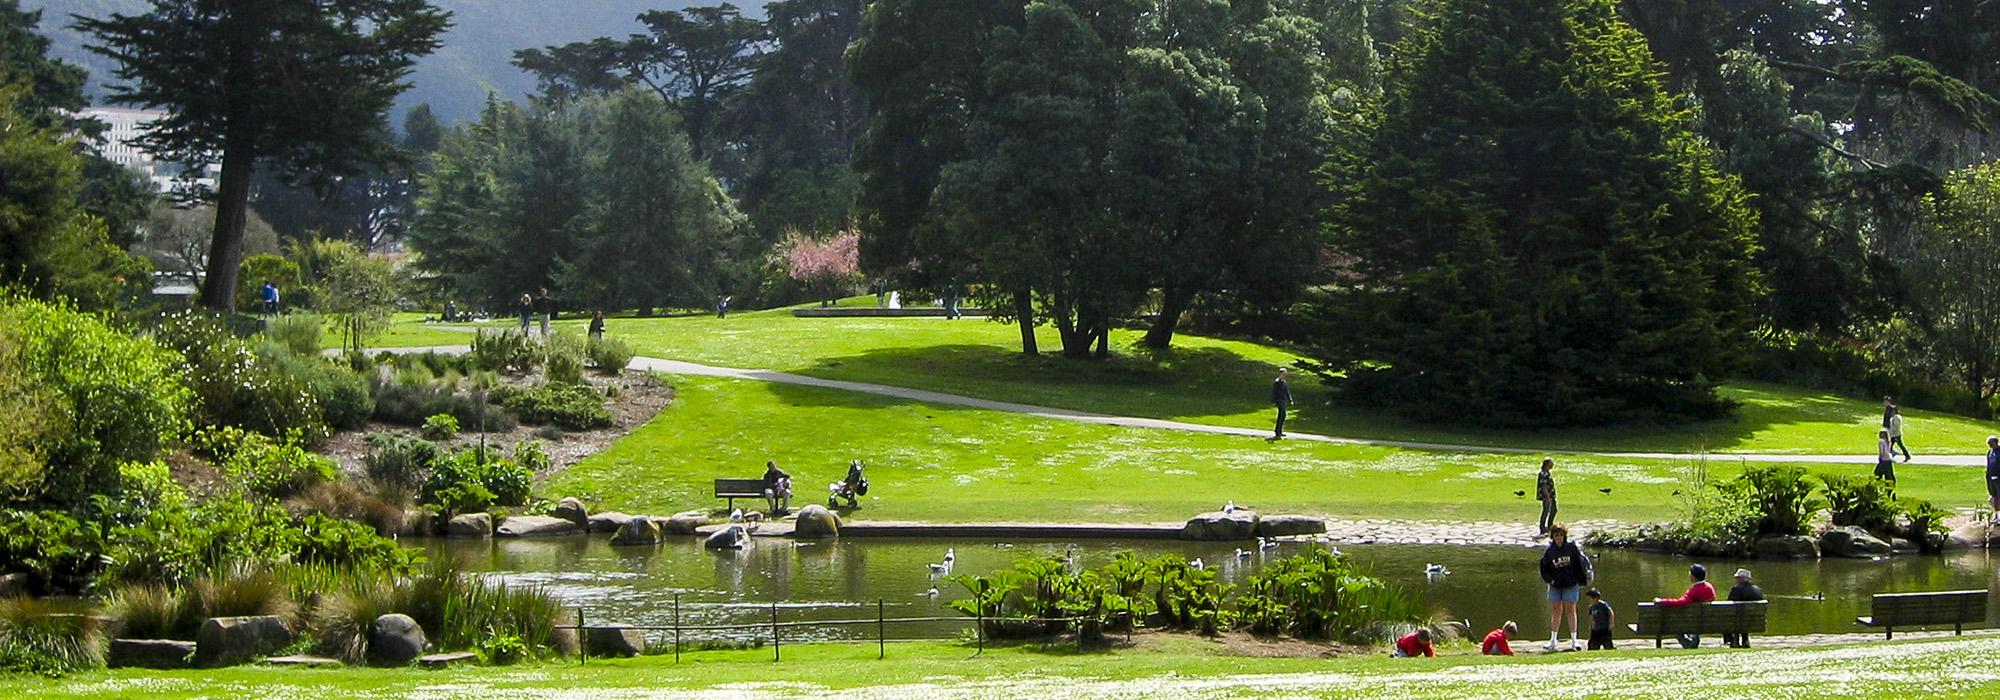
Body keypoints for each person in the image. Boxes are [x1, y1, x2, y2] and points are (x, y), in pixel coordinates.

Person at [1538, 523, 1592, 651]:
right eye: (1556, 535)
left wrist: (1581, 580)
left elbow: (1580, 564)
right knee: (1556, 610)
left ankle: (1574, 640)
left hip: (1571, 583)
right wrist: (1550, 580)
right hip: (1556, 584)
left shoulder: (1571, 548)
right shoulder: (1550, 551)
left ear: (1564, 536)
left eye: (1561, 535)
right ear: (1553, 537)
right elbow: (1543, 568)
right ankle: (1553, 640)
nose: (1558, 538)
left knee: (1571, 610)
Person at [1654, 563, 1717, 648]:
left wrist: (1662, 601)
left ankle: (1688, 644)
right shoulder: (1709, 587)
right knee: (1692, 619)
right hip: (1708, 621)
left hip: (1693, 621)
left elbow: (1681, 602)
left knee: (1674, 623)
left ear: (1693, 576)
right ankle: (1693, 640)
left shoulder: (1694, 590)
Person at [1723, 568, 1765, 648]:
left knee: (1727, 617)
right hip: (1754, 621)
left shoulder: (1736, 589)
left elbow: (1728, 605)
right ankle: (1745, 640)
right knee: (1743, 616)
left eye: (1737, 578)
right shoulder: (1757, 590)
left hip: (1738, 621)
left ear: (1742, 579)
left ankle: (1732, 640)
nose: (1735, 580)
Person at [1536, 458, 1558, 535]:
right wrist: (1547, 497)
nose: (1553, 465)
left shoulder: (1547, 473)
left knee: (1553, 510)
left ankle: (1549, 526)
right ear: (1547, 464)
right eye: (1551, 463)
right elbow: (1543, 485)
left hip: (1551, 496)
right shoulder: (1543, 473)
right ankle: (1543, 527)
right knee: (1546, 511)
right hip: (1547, 496)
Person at [1271, 368, 1292, 439]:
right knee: (1281, 415)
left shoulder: (1284, 382)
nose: (1285, 375)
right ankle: (1277, 431)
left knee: (1283, 416)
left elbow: (1287, 391)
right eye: (1284, 373)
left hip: (1284, 400)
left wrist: (1290, 399)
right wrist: (1274, 401)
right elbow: (1274, 392)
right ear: (1281, 374)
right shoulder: (1277, 382)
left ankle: (1280, 431)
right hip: (1279, 401)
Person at [1986, 436, 2000, 521]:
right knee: (1994, 496)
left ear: (1995, 442)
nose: (1989, 445)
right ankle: (1996, 515)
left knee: (1999, 496)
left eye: (1990, 443)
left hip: (1999, 477)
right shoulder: (1990, 452)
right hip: (1991, 477)